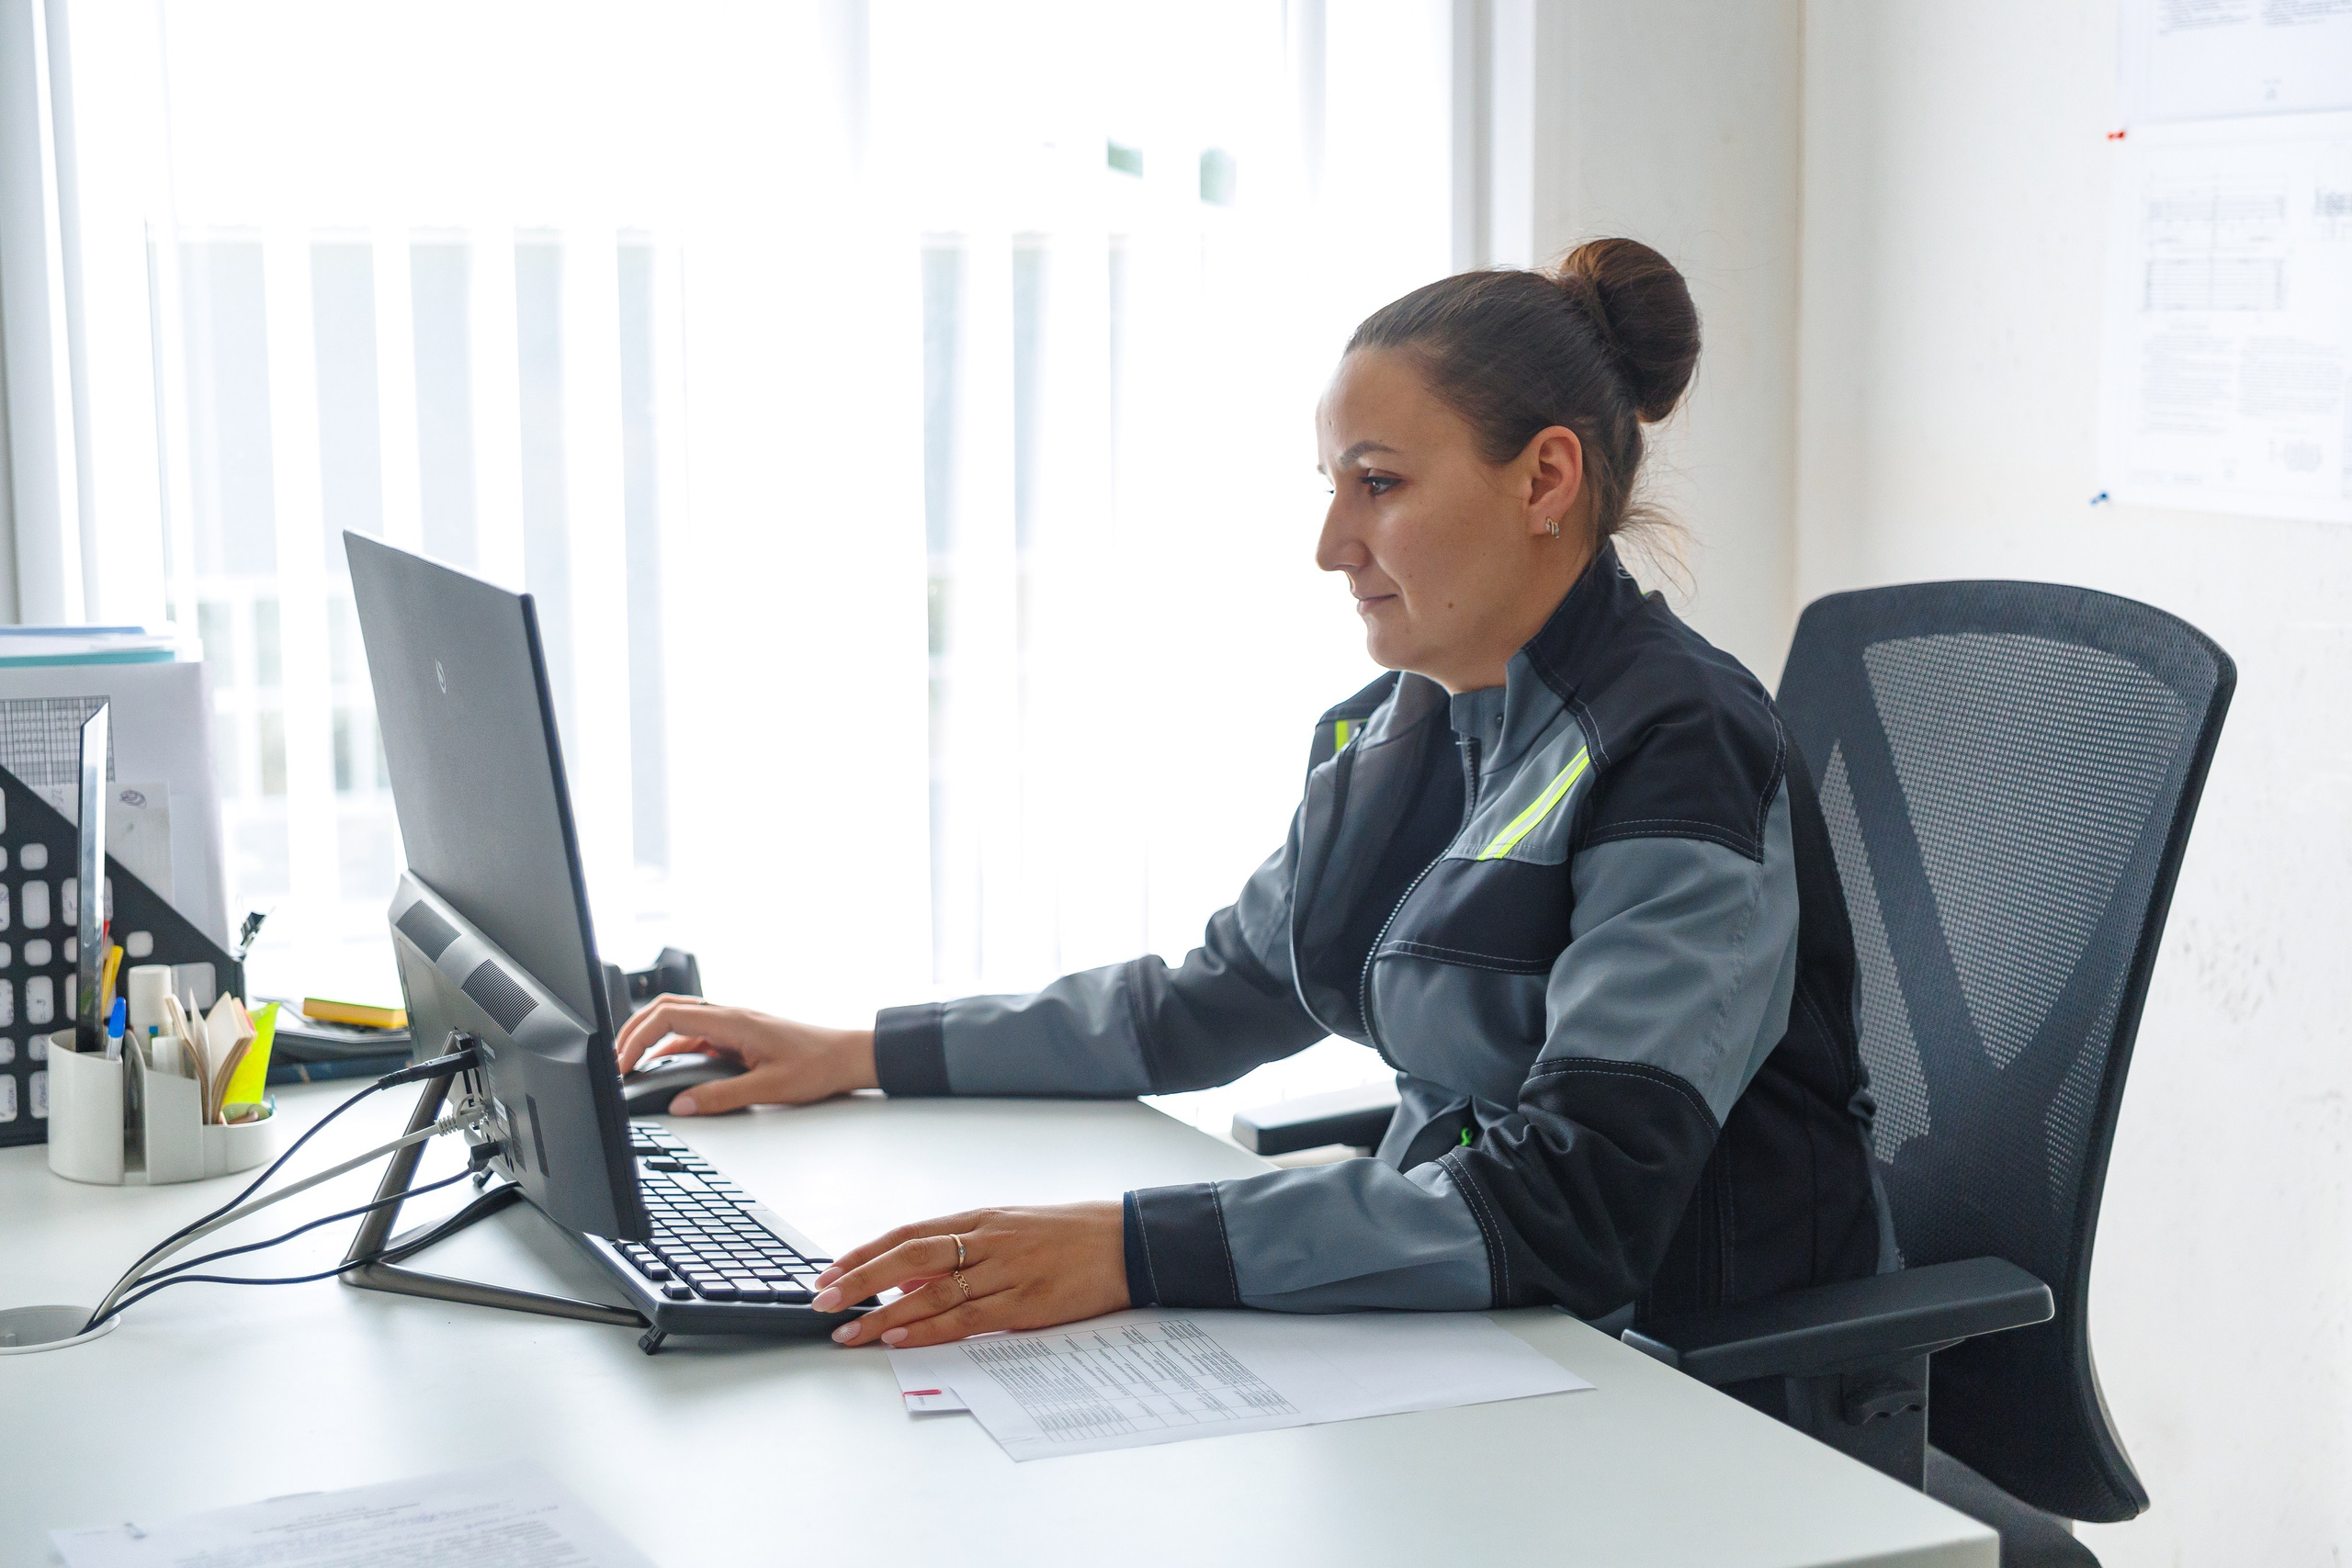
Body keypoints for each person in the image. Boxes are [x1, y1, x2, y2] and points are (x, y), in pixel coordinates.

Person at [614, 238, 1883, 1350]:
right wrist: (857, 1051)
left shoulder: (1682, 748)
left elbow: (1581, 1207)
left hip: (1682, 1381)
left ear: (1545, 480)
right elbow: (1205, 1004)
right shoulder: (1413, 727)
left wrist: (1127, 1249)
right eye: (1331, 486)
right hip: (1487, 1337)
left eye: (1377, 484)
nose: (1331, 544)